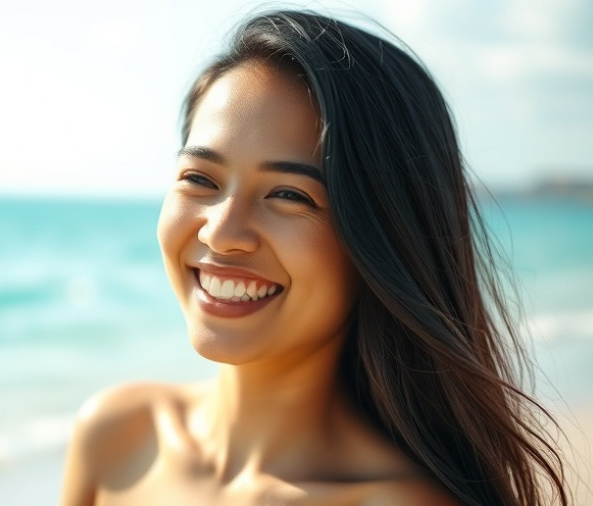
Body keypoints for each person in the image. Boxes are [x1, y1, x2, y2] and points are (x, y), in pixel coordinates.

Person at [61, 9, 567, 506]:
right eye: (200, 179)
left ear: (382, 238)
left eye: (290, 195)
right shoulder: (116, 436)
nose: (222, 233)